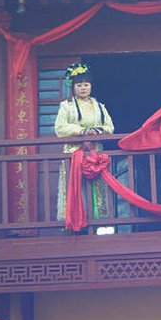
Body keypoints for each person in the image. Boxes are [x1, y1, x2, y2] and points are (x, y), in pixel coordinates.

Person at [55, 63, 115, 227]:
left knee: (96, 188)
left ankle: (97, 223)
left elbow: (110, 127)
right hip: (74, 153)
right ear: (73, 87)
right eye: (79, 85)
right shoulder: (66, 106)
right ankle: (74, 222)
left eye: (86, 84)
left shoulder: (99, 106)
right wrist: (81, 131)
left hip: (95, 153)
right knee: (75, 187)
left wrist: (97, 131)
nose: (83, 88)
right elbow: (60, 128)